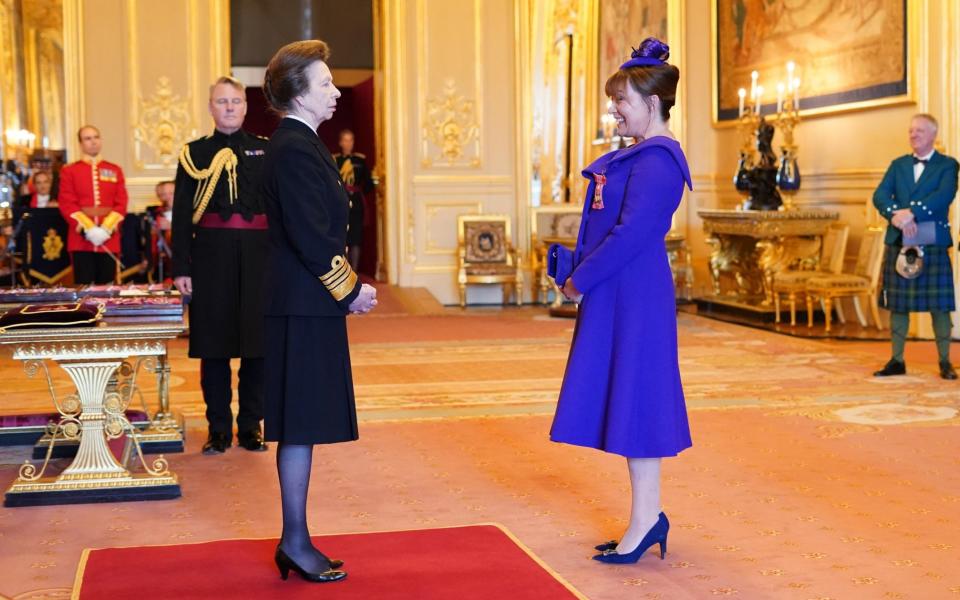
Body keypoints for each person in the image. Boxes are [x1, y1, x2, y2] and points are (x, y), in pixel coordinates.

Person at [549, 38, 692, 564]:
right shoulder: (639, 155)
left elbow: (632, 235)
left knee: (638, 402)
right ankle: (647, 517)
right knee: (628, 401)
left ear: (652, 104)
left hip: (636, 295)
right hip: (621, 291)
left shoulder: (658, 160)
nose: (614, 109)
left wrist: (578, 281)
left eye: (622, 100)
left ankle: (646, 519)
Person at [260, 39, 377, 584]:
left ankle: (297, 538)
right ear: (298, 92)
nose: (334, 90)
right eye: (326, 82)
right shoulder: (292, 147)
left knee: (301, 426)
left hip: (307, 306)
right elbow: (311, 235)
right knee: (299, 425)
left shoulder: (303, 144)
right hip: (303, 307)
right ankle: (294, 540)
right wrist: (349, 290)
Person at [171, 76, 271, 454]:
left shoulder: (266, 150)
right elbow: (182, 214)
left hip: (259, 257)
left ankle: (251, 427)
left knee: (256, 348)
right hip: (210, 258)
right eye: (222, 102)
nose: (229, 108)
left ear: (246, 107)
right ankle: (218, 429)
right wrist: (182, 266)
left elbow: (278, 210)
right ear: (210, 107)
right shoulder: (193, 154)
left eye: (236, 101)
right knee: (214, 348)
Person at [872, 114, 958, 380]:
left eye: (919, 131)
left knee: (939, 305)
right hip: (899, 238)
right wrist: (895, 215)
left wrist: (911, 214)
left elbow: (943, 196)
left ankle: (945, 362)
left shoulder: (948, 165)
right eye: (911, 131)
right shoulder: (897, 165)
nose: (913, 135)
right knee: (899, 304)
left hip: (931, 239)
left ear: (933, 135)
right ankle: (897, 361)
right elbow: (880, 195)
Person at [58, 126, 128, 284]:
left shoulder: (114, 170)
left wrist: (106, 228)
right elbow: (67, 202)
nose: (93, 141)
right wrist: (88, 228)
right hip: (81, 239)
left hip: (108, 237)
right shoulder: (70, 171)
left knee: (108, 288)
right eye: (87, 138)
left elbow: (121, 202)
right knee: (84, 287)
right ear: (81, 144)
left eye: (96, 137)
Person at [333, 129, 374, 271]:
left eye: (351, 140)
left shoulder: (360, 160)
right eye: (345, 140)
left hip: (356, 203)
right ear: (340, 142)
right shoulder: (335, 160)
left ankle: (354, 272)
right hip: (340, 202)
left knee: (356, 238)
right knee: (342, 238)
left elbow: (368, 183)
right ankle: (344, 273)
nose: (348, 143)